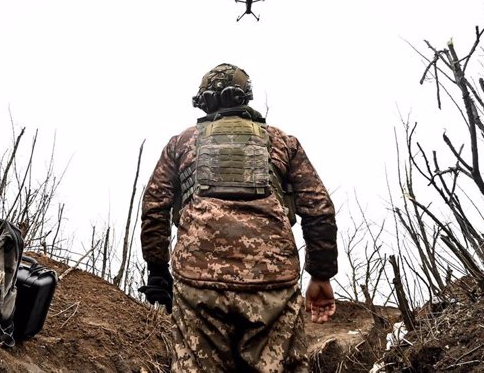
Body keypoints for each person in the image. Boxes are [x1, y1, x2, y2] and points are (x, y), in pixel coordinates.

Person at [139, 63, 338, 372]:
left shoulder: (181, 144)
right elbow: (319, 209)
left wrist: (157, 271)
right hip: (272, 284)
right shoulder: (284, 142)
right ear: (246, 98)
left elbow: (155, 206)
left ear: (204, 101)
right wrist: (321, 275)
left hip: (198, 283)